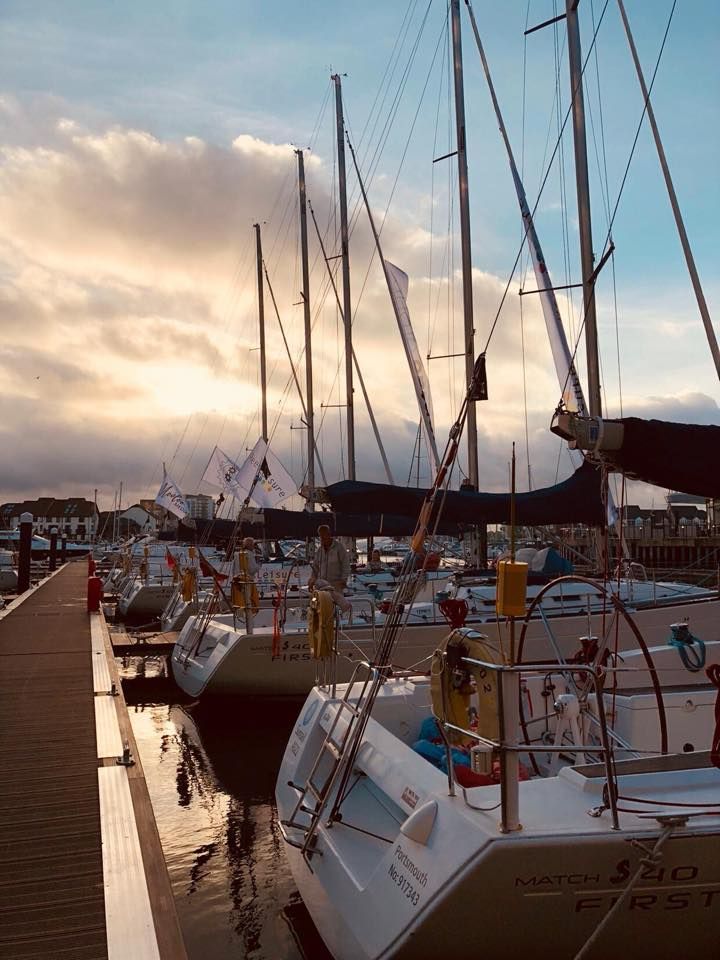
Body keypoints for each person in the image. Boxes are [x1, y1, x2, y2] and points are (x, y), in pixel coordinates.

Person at [308, 524, 351, 612]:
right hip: (321, 587)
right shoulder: (319, 550)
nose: (322, 538)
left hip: (336, 585)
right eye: (320, 536)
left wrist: (343, 580)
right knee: (317, 608)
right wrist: (312, 579)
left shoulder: (339, 548)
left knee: (335, 610)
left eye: (324, 535)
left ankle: (340, 617)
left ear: (329, 534)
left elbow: (346, 565)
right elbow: (315, 568)